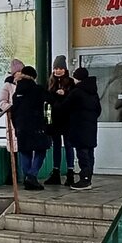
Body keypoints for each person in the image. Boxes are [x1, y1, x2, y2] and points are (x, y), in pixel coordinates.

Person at [59, 67, 102, 190]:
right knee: (89, 153)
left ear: (77, 78)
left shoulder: (76, 92)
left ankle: (84, 180)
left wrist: (62, 96)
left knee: (82, 154)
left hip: (79, 127)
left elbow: (64, 107)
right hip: (91, 127)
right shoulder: (93, 92)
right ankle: (88, 177)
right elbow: (98, 110)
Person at [11, 65, 50, 191]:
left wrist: (16, 127)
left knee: (25, 151)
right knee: (41, 149)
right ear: (34, 77)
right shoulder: (38, 90)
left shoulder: (16, 93)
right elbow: (49, 103)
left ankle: (27, 178)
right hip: (37, 125)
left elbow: (13, 112)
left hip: (21, 126)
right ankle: (32, 176)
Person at [45, 55, 76, 186]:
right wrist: (47, 121)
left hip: (67, 119)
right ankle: (56, 172)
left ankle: (70, 173)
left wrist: (65, 94)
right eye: (56, 68)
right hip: (55, 120)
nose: (58, 71)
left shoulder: (70, 82)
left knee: (68, 145)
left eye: (60, 68)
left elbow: (73, 99)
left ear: (65, 69)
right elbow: (47, 101)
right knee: (56, 146)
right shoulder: (50, 82)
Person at [0, 59, 24, 158]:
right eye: (18, 72)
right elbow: (2, 101)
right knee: (14, 141)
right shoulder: (8, 86)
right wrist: (11, 108)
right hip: (13, 117)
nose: (21, 74)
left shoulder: (27, 84)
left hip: (25, 117)